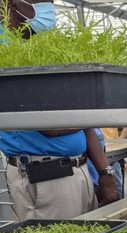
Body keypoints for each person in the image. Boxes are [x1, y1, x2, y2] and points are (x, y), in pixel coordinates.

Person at [0, 0, 120, 220]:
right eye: (41, 1)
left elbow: (84, 120)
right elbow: (50, 125)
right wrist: (85, 115)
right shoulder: (6, 50)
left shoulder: (46, 46)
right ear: (12, 5)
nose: (49, 9)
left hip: (78, 169)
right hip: (45, 177)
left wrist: (105, 172)